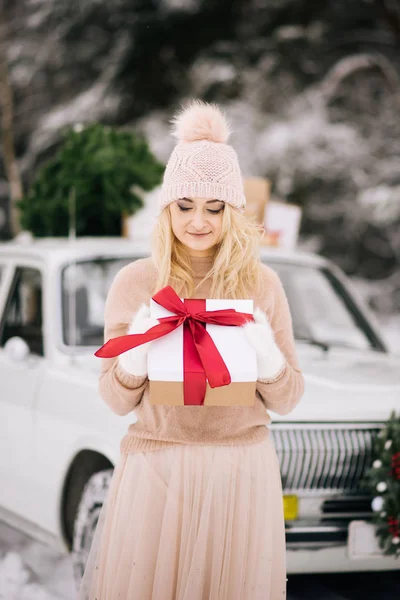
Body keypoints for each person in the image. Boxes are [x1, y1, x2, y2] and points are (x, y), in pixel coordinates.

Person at [78, 100, 305, 600]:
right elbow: (115, 401)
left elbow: (288, 399)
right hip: (158, 469)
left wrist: (267, 358)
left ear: (234, 211)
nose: (198, 221)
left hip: (239, 471)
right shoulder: (137, 281)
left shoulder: (260, 283)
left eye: (215, 207)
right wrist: (135, 353)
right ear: (166, 208)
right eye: (185, 205)